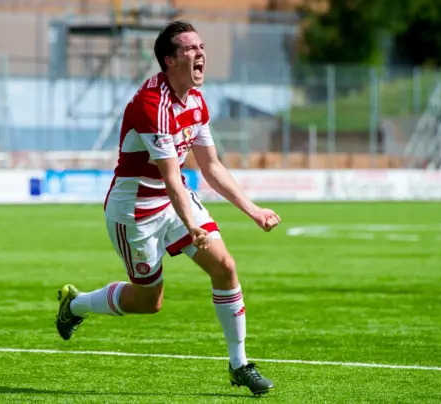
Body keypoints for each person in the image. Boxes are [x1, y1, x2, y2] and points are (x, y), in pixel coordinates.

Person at [55, 20, 281, 395]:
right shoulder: (151, 106)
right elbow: (173, 176)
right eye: (191, 49)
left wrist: (252, 210)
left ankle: (239, 364)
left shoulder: (195, 101)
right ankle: (75, 305)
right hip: (135, 214)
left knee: (225, 267)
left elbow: (211, 166)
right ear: (169, 60)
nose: (201, 54)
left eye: (202, 47)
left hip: (173, 203)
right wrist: (191, 223)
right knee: (149, 302)